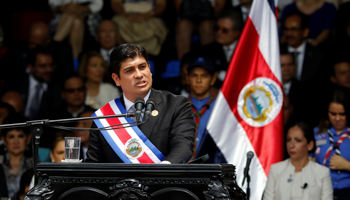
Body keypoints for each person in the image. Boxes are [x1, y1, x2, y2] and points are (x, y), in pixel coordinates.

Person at [85, 44, 196, 164]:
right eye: (130, 70)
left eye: (142, 67)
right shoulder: (104, 117)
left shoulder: (176, 105)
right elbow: (93, 164)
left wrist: (162, 171)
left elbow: (183, 146)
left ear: (149, 69)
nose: (139, 74)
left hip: (163, 180)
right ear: (116, 79)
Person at [263, 122, 333, 200]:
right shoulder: (276, 169)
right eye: (288, 140)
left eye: (298, 140)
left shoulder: (322, 172)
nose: (291, 145)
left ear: (310, 145)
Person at [3, 46, 62, 120]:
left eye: (51, 65)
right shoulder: (15, 83)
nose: (49, 69)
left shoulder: (57, 87)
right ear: (30, 67)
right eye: (43, 66)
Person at [313, 87, 350, 199]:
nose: (337, 118)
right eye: (333, 114)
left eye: (342, 114)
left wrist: (347, 165)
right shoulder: (316, 134)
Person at [48, 0, 103, 70]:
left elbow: (99, 4)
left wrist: (83, 8)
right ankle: (76, 63)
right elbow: (52, 2)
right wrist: (62, 8)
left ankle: (53, 44)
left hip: (87, 17)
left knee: (76, 20)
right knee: (76, 21)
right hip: (62, 17)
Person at [0, 114, 33, 198]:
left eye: (20, 136)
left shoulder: (35, 165)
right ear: (4, 140)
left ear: (28, 138)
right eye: (11, 137)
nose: (16, 141)